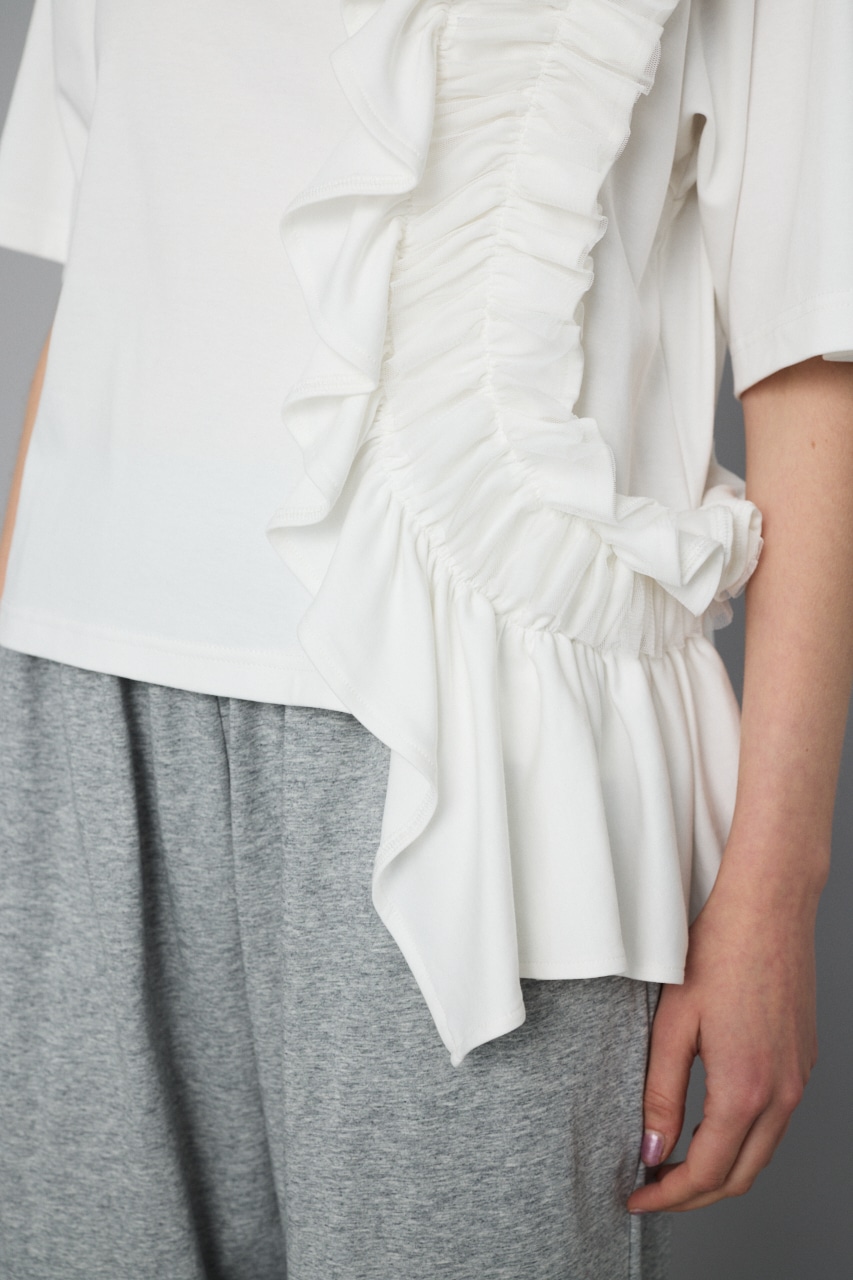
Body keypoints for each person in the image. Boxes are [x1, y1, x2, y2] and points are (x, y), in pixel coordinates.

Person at [0, 1, 851, 1277]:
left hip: (466, 741)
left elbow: (811, 347)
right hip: (78, 700)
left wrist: (776, 885)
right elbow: (102, 259)